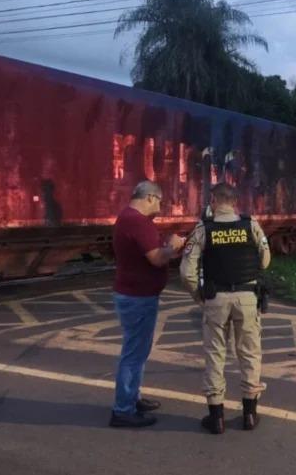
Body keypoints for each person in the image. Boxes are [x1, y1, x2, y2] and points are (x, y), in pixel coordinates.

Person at [180, 183, 271, 434]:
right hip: (247, 297)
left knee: (215, 355)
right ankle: (250, 415)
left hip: (216, 297)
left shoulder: (203, 229)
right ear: (235, 201)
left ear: (213, 199)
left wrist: (199, 296)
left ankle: (216, 417)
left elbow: (187, 272)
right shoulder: (250, 225)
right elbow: (265, 259)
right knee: (250, 353)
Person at [110, 181, 185, 427]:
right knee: (133, 354)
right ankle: (123, 409)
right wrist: (173, 247)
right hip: (138, 297)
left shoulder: (127, 217)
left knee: (138, 352)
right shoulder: (138, 222)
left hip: (133, 293)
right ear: (151, 197)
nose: (160, 206)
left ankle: (133, 398)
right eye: (160, 201)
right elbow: (156, 259)